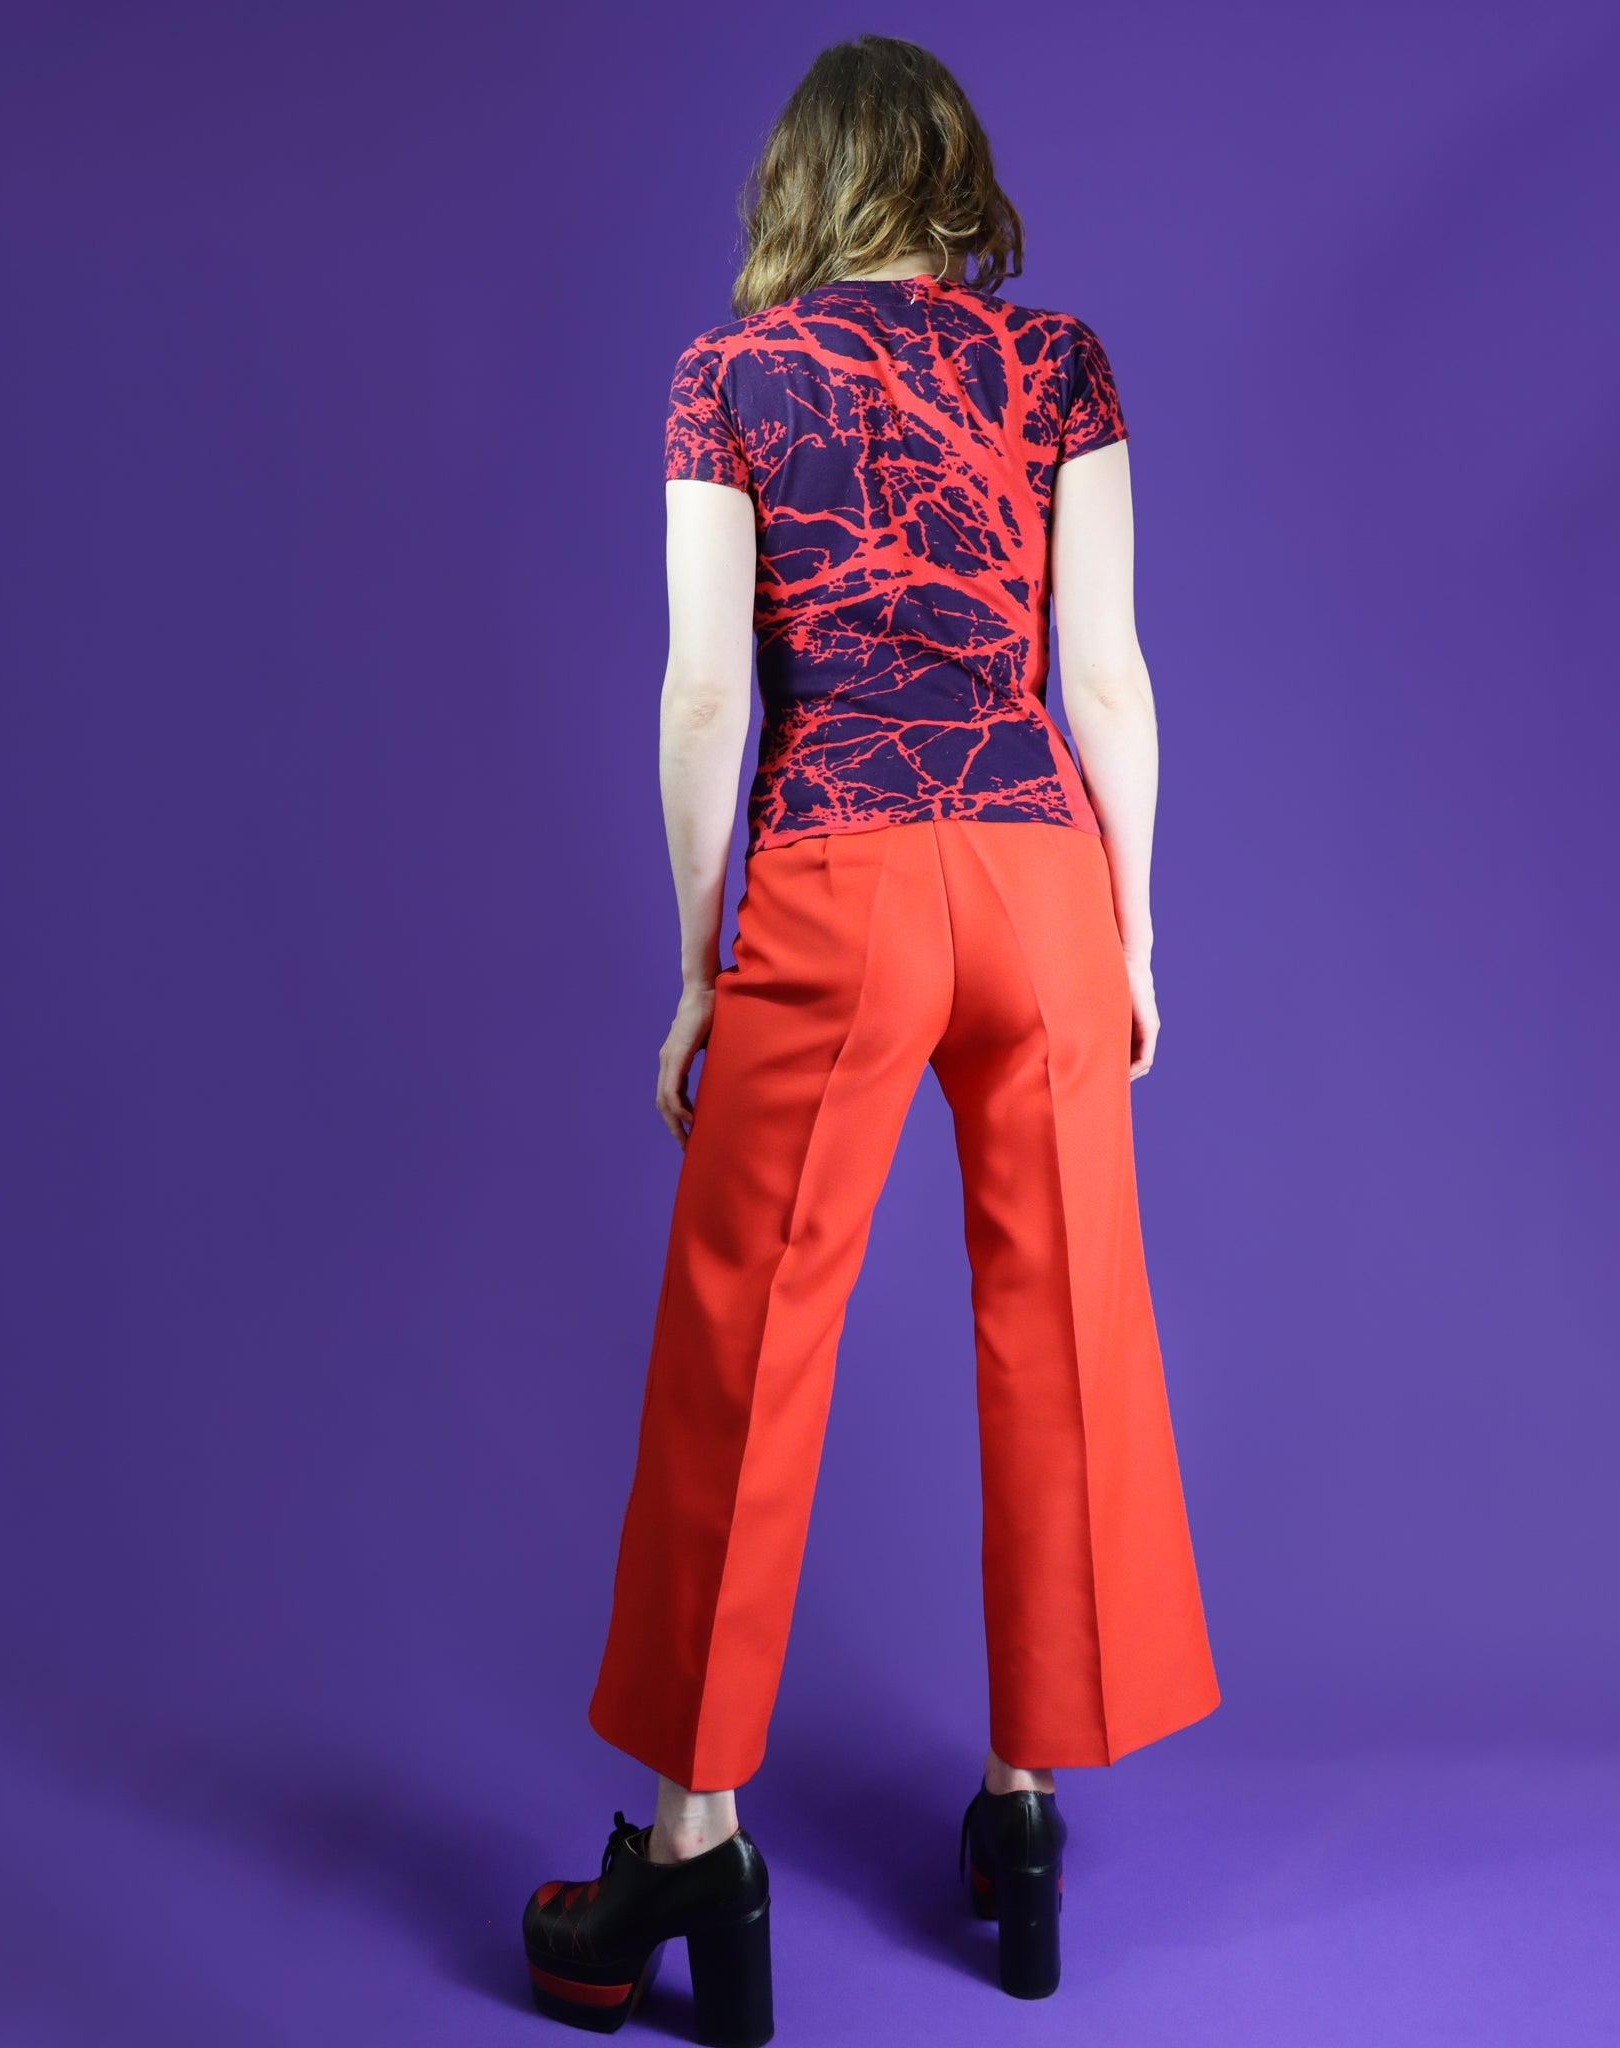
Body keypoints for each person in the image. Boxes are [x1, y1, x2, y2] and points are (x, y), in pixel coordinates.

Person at [521, 35, 1220, 2042]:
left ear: (802, 187)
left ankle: (693, 1842)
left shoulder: (727, 379)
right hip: (1037, 871)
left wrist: (695, 966)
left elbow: (701, 697)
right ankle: (1025, 1815)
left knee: (746, 1340)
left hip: (839, 871)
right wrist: (1134, 928)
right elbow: (1106, 671)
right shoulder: (1059, 363)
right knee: (1063, 1324)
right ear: (953, 181)